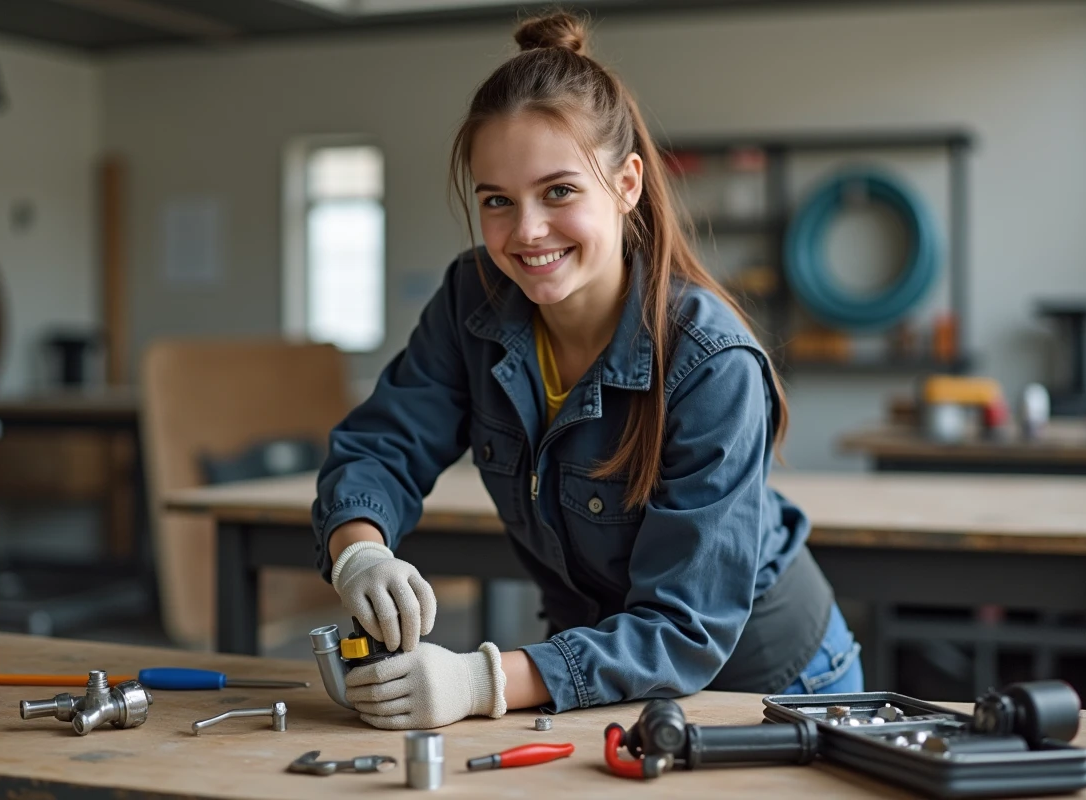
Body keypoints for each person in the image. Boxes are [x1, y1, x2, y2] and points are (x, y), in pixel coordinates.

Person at [312, 11, 862, 731]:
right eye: (497, 201)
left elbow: (684, 627)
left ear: (627, 182)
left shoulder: (710, 363)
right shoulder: (469, 300)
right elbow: (382, 445)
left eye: (559, 192)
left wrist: (481, 681)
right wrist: (360, 553)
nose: (528, 231)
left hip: (766, 690)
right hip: (594, 684)